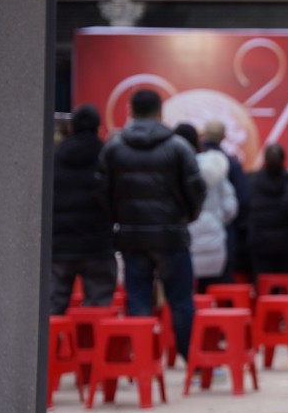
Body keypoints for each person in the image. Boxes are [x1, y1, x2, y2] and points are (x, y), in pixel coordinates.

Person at [97, 89, 205, 359]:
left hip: (131, 236)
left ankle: (142, 361)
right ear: (159, 112)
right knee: (180, 300)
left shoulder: (114, 148)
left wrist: (118, 219)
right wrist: (186, 218)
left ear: (131, 111)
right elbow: (196, 190)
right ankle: (190, 361)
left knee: (138, 299)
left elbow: (101, 192)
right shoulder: (178, 147)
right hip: (171, 235)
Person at [50, 104, 118, 314]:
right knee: (97, 309)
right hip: (98, 245)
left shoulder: (54, 157)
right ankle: (90, 337)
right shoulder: (107, 156)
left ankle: (53, 337)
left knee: (52, 308)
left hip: (59, 246)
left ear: (71, 128)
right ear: (99, 128)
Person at [178, 123, 237, 290]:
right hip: (214, 239)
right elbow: (230, 204)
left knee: (184, 295)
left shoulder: (174, 169)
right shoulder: (216, 166)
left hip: (183, 240)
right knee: (216, 292)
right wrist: (216, 219)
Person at [246, 143, 288, 278]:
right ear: (283, 160)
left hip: (260, 245)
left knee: (263, 284)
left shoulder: (252, 182)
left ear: (265, 160)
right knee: (286, 285)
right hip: (287, 246)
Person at [201, 120, 250, 281]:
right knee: (222, 284)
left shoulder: (192, 160)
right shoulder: (231, 163)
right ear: (223, 137)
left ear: (204, 134)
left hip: (193, 233)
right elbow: (243, 198)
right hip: (223, 232)